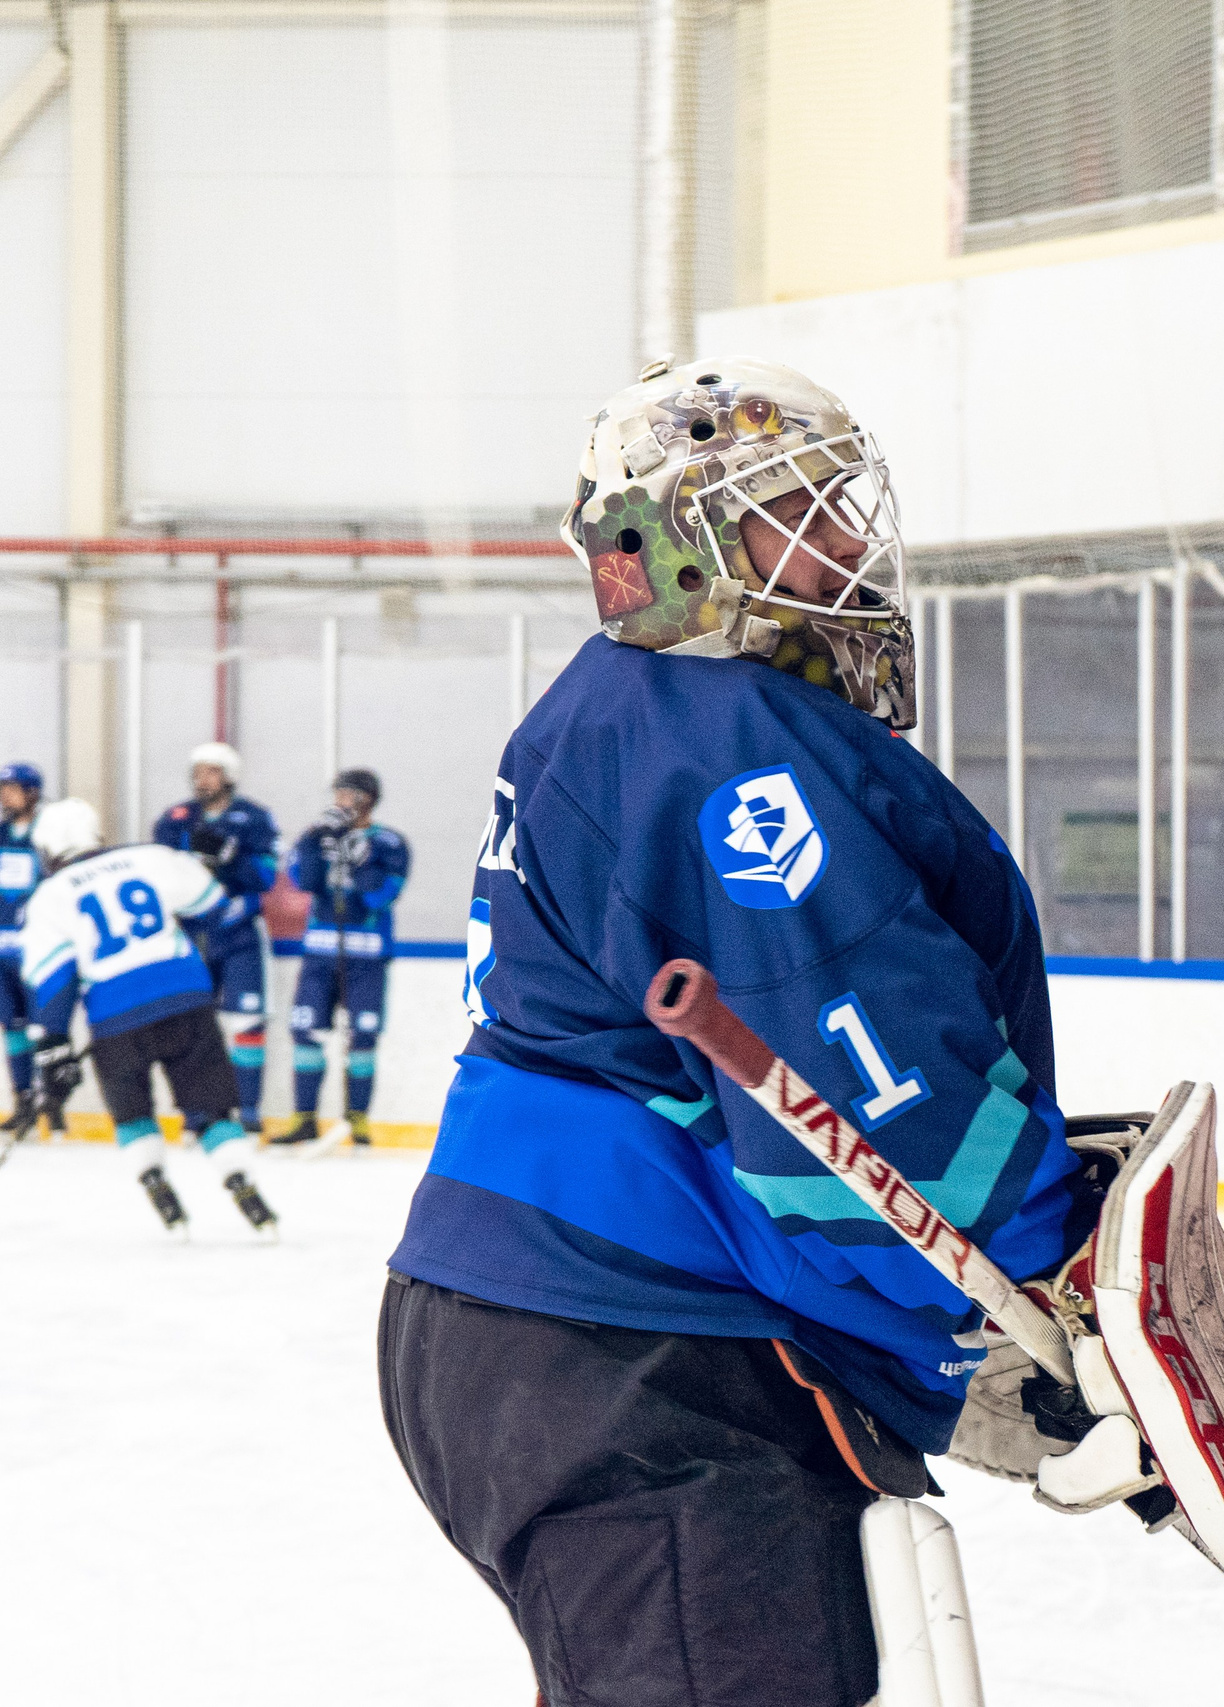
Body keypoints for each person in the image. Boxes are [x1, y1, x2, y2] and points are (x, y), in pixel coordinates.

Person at [380, 357, 1087, 1705]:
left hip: (554, 1326)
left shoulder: (617, 706)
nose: (840, 549)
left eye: (838, 509)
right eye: (794, 515)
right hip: (632, 1352)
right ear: (674, 542)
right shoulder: (733, 742)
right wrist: (1052, 1270)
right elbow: (868, 1079)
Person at [16, 798, 277, 1234]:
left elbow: (55, 979)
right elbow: (213, 907)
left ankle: (158, 1188)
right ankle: (242, 1184)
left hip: (114, 1015)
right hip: (186, 997)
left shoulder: (51, 895)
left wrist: (53, 1044)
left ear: (47, 851)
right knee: (211, 1109)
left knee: (132, 1113)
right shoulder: (150, 857)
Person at [274, 769, 407, 1148]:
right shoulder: (318, 836)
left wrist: (362, 860)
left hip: (367, 956)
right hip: (319, 953)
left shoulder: (389, 843)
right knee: (304, 1030)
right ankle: (304, 1119)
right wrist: (317, 841)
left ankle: (357, 1119)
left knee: (363, 1035)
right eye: (339, 793)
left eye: (350, 794)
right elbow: (303, 882)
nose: (341, 801)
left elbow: (380, 897)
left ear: (369, 799)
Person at [154, 742, 279, 1132]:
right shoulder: (175, 819)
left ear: (229, 776)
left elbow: (267, 878)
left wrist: (232, 856)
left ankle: (247, 1111)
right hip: (189, 935)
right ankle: (196, 1113)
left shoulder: (253, 818)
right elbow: (158, 875)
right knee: (189, 1024)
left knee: (246, 1021)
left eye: (210, 771)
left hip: (238, 933)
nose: (201, 779)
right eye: (197, 771)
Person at [1, 764, 42, 1133]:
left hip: (39, 946)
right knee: (12, 1026)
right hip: (2, 948)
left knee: (42, 1024)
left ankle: (52, 1102)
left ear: (32, 792)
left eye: (12, 789)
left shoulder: (49, 832)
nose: (4, 796)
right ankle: (24, 1098)